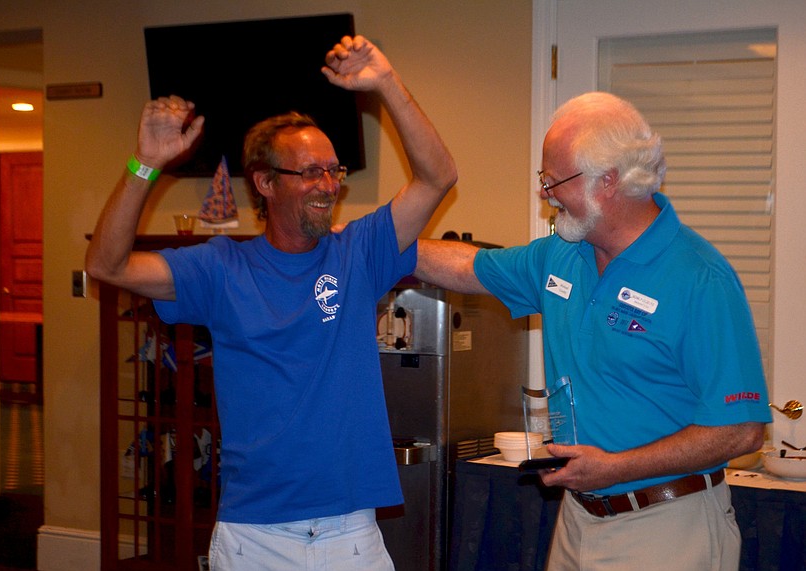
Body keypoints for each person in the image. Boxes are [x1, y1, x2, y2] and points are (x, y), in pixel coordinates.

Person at [86, 35, 456, 570]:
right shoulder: (219, 268)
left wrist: (385, 84)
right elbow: (107, 265)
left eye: (334, 171)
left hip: (349, 532)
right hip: (252, 536)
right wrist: (145, 163)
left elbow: (438, 176)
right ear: (264, 182)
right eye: (310, 172)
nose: (328, 185)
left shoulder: (359, 253)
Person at [414, 92, 770, 570]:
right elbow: (466, 266)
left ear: (608, 182)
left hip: (667, 528)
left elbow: (742, 431)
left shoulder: (699, 277)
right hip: (577, 520)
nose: (543, 193)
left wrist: (614, 468)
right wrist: (367, 246)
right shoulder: (561, 254)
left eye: (552, 179)